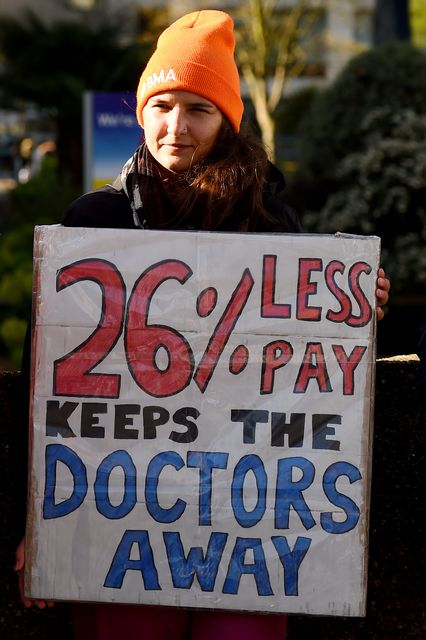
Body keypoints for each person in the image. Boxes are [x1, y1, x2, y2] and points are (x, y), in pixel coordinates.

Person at [15, 9, 390, 640]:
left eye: (198, 109)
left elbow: (311, 378)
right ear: (140, 112)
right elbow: (45, 384)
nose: (176, 127)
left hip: (247, 537)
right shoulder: (92, 222)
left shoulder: (272, 225)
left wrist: (352, 306)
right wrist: (36, 524)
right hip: (115, 524)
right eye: (161, 105)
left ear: (227, 120)